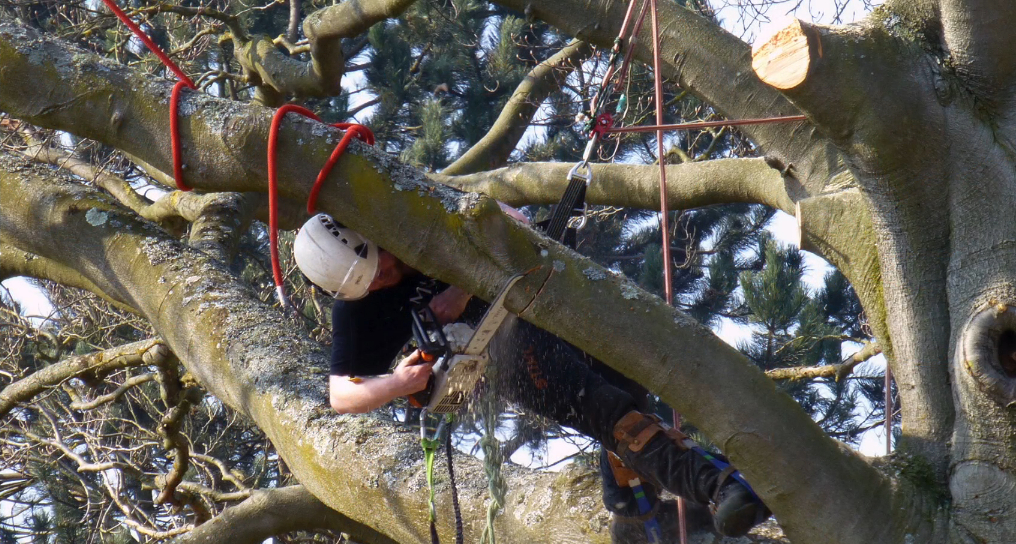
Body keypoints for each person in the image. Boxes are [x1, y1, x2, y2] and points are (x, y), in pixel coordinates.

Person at [293, 213, 769, 539]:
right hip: (504, 354)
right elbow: (342, 395)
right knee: (608, 413)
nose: (384, 278)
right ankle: (721, 486)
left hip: (548, 297)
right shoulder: (357, 310)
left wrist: (463, 288)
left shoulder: (408, 217)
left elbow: (511, 219)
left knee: (625, 384)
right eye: (372, 282)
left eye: (382, 267)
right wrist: (401, 383)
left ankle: (628, 504)